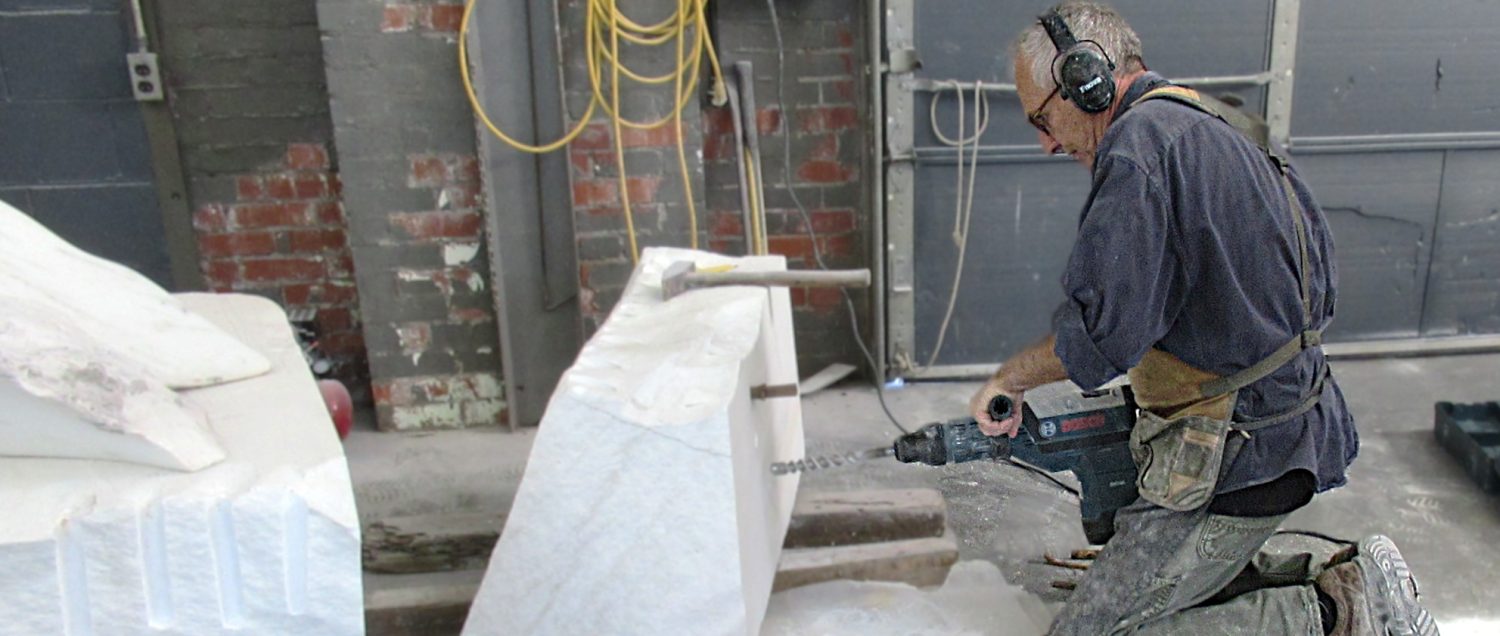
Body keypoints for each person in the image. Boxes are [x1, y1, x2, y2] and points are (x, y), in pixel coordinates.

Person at [967, 3, 1439, 634]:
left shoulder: (1139, 151)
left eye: (1042, 118)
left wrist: (1011, 378)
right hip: (1294, 424)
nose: (1047, 142)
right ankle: (1347, 578)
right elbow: (1317, 280)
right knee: (1155, 590)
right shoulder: (1212, 117)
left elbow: (1102, 338)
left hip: (1236, 454)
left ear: (1087, 80)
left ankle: (1340, 614)